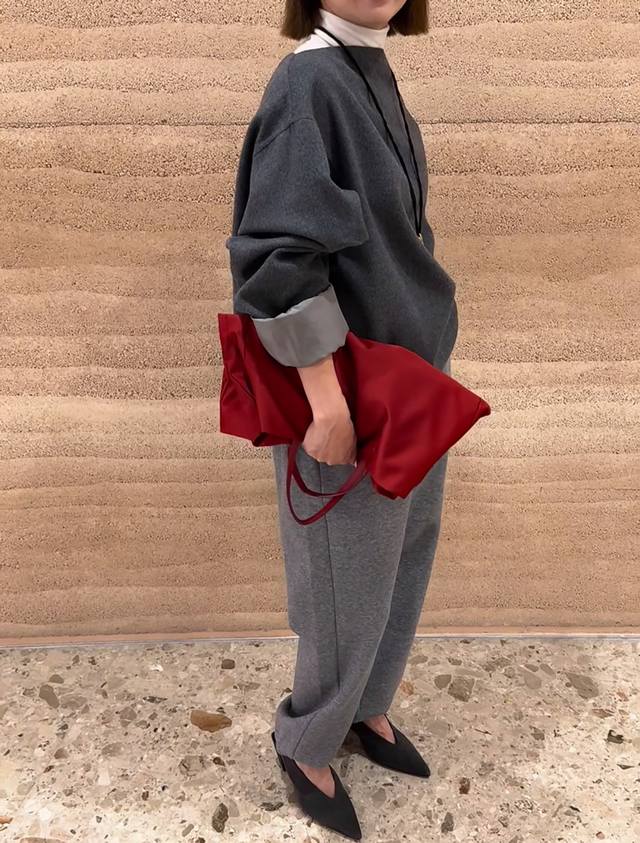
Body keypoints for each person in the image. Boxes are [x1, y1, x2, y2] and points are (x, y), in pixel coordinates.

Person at [225, 1, 458, 838]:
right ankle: (306, 739)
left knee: (403, 558)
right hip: (351, 394)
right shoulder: (307, 84)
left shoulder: (369, 66)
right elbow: (277, 257)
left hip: (411, 384)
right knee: (342, 583)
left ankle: (365, 705)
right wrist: (325, 400)